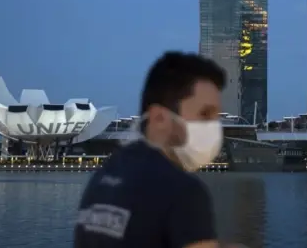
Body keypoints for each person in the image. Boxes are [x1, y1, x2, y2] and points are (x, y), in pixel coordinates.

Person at [74, 51, 244, 248]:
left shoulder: (103, 177)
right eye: (205, 114)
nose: (215, 126)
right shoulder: (185, 192)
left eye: (216, 116)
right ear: (159, 118)